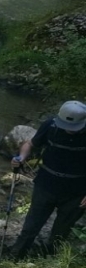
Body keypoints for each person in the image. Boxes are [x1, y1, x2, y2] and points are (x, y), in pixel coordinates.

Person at [9, 100, 86, 258]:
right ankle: (14, 258)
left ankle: (48, 262)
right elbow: (30, 143)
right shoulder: (50, 125)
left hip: (77, 192)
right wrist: (21, 157)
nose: (69, 130)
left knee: (61, 232)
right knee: (30, 228)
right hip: (45, 186)